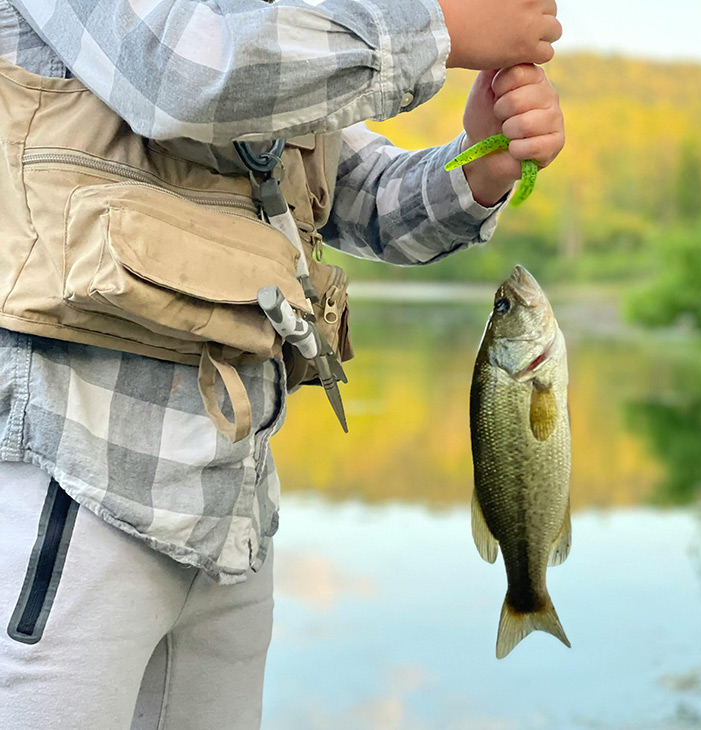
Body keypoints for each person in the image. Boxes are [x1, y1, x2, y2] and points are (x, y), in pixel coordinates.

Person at [0, 0, 565, 727]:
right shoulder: (223, 40)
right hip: (71, 487)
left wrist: (480, 166)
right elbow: (184, 72)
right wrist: (442, 29)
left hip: (231, 526)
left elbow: (362, 197)